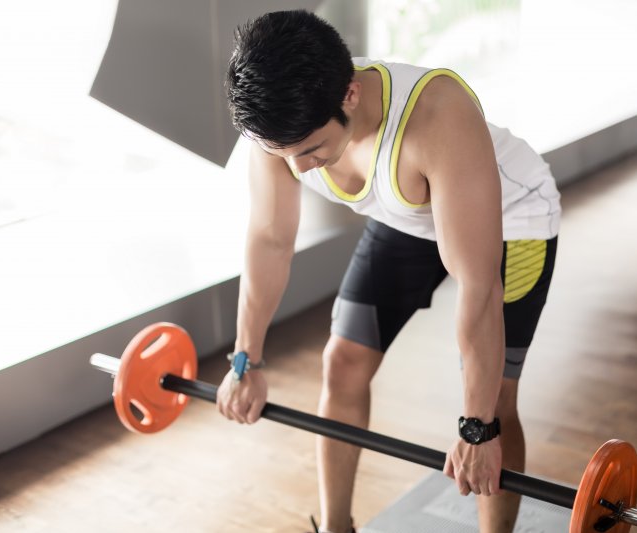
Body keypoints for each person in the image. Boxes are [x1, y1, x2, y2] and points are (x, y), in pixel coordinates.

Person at [216, 9, 560, 533]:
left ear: (350, 95)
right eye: (286, 156)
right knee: (343, 363)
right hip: (406, 216)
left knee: (496, 402)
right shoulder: (278, 120)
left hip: (513, 222)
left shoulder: (437, 117)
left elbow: (479, 284)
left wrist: (476, 428)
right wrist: (246, 360)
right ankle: (335, 527)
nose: (302, 169)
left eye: (311, 151)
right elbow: (270, 238)